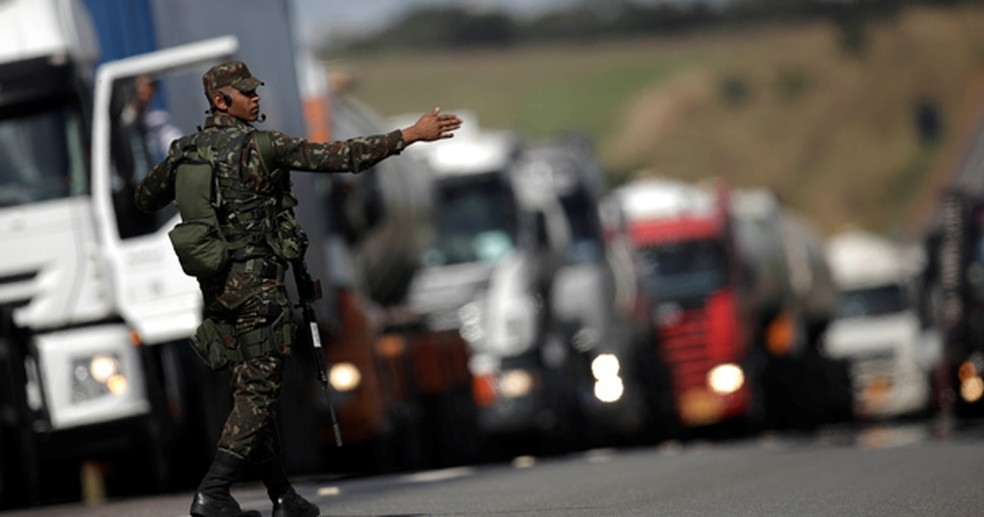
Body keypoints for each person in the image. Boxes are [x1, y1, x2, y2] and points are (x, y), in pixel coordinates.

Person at [134, 60, 462, 517]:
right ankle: (213, 491)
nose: (256, 98)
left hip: (217, 292)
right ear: (220, 100)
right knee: (258, 395)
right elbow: (342, 157)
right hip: (259, 291)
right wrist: (409, 134)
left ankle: (282, 496)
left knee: (252, 388)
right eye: (246, 93)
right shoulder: (263, 147)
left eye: (255, 90)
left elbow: (144, 198)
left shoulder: (183, 153)